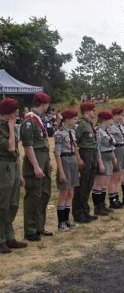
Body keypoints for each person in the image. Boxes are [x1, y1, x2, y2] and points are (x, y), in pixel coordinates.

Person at [21, 92, 53, 242]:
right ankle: (30, 229)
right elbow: (28, 146)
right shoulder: (29, 120)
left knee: (44, 193)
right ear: (44, 104)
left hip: (43, 157)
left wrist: (48, 162)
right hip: (35, 160)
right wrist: (35, 166)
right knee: (34, 195)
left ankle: (40, 226)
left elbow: (44, 143)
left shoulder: (39, 119)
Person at [0, 98, 27, 253]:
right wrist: (10, 128)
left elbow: (16, 152)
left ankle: (9, 237)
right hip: (3, 167)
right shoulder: (4, 128)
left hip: (13, 166)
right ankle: (1, 239)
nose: (18, 113)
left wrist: (20, 174)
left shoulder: (11, 127)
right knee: (2, 204)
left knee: (13, 203)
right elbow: (10, 147)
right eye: (15, 111)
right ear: (9, 113)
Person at [73, 102, 100, 224]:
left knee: (89, 184)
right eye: (93, 110)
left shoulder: (89, 124)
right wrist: (78, 158)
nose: (95, 112)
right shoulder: (81, 125)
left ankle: (85, 211)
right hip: (85, 153)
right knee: (82, 185)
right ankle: (78, 213)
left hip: (92, 153)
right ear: (88, 111)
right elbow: (73, 142)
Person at [93, 111, 115, 216]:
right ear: (105, 120)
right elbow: (97, 148)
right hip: (102, 157)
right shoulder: (98, 131)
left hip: (108, 157)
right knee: (99, 184)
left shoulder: (106, 131)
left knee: (104, 184)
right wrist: (100, 162)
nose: (111, 121)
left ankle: (102, 205)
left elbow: (111, 145)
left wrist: (113, 157)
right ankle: (98, 207)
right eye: (110, 119)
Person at [108, 107, 124, 208]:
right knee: (114, 177)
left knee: (119, 176)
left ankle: (116, 196)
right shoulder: (111, 127)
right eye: (118, 115)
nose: (120, 117)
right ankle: (113, 199)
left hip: (123, 149)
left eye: (121, 115)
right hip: (116, 150)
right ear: (113, 116)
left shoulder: (121, 126)